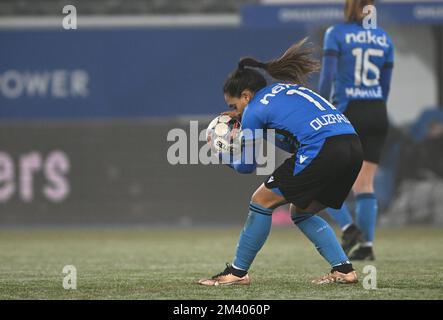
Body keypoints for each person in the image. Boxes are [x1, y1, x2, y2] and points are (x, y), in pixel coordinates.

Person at [198, 38, 363, 286]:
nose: (234, 111)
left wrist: (220, 152)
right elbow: (292, 132)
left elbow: (246, 166)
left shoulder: (254, 110)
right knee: (301, 211)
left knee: (261, 201)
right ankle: (343, 270)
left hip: (323, 148)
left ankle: (237, 273)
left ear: (246, 95)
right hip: (352, 146)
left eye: (234, 105)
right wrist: (246, 124)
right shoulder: (286, 90)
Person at [319, 0, 394, 260]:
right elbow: (385, 86)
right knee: (365, 184)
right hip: (377, 112)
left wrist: (321, 108)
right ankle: (366, 246)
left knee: (322, 175)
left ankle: (350, 229)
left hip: (348, 112)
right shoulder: (384, 38)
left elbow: (327, 78)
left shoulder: (336, 34)